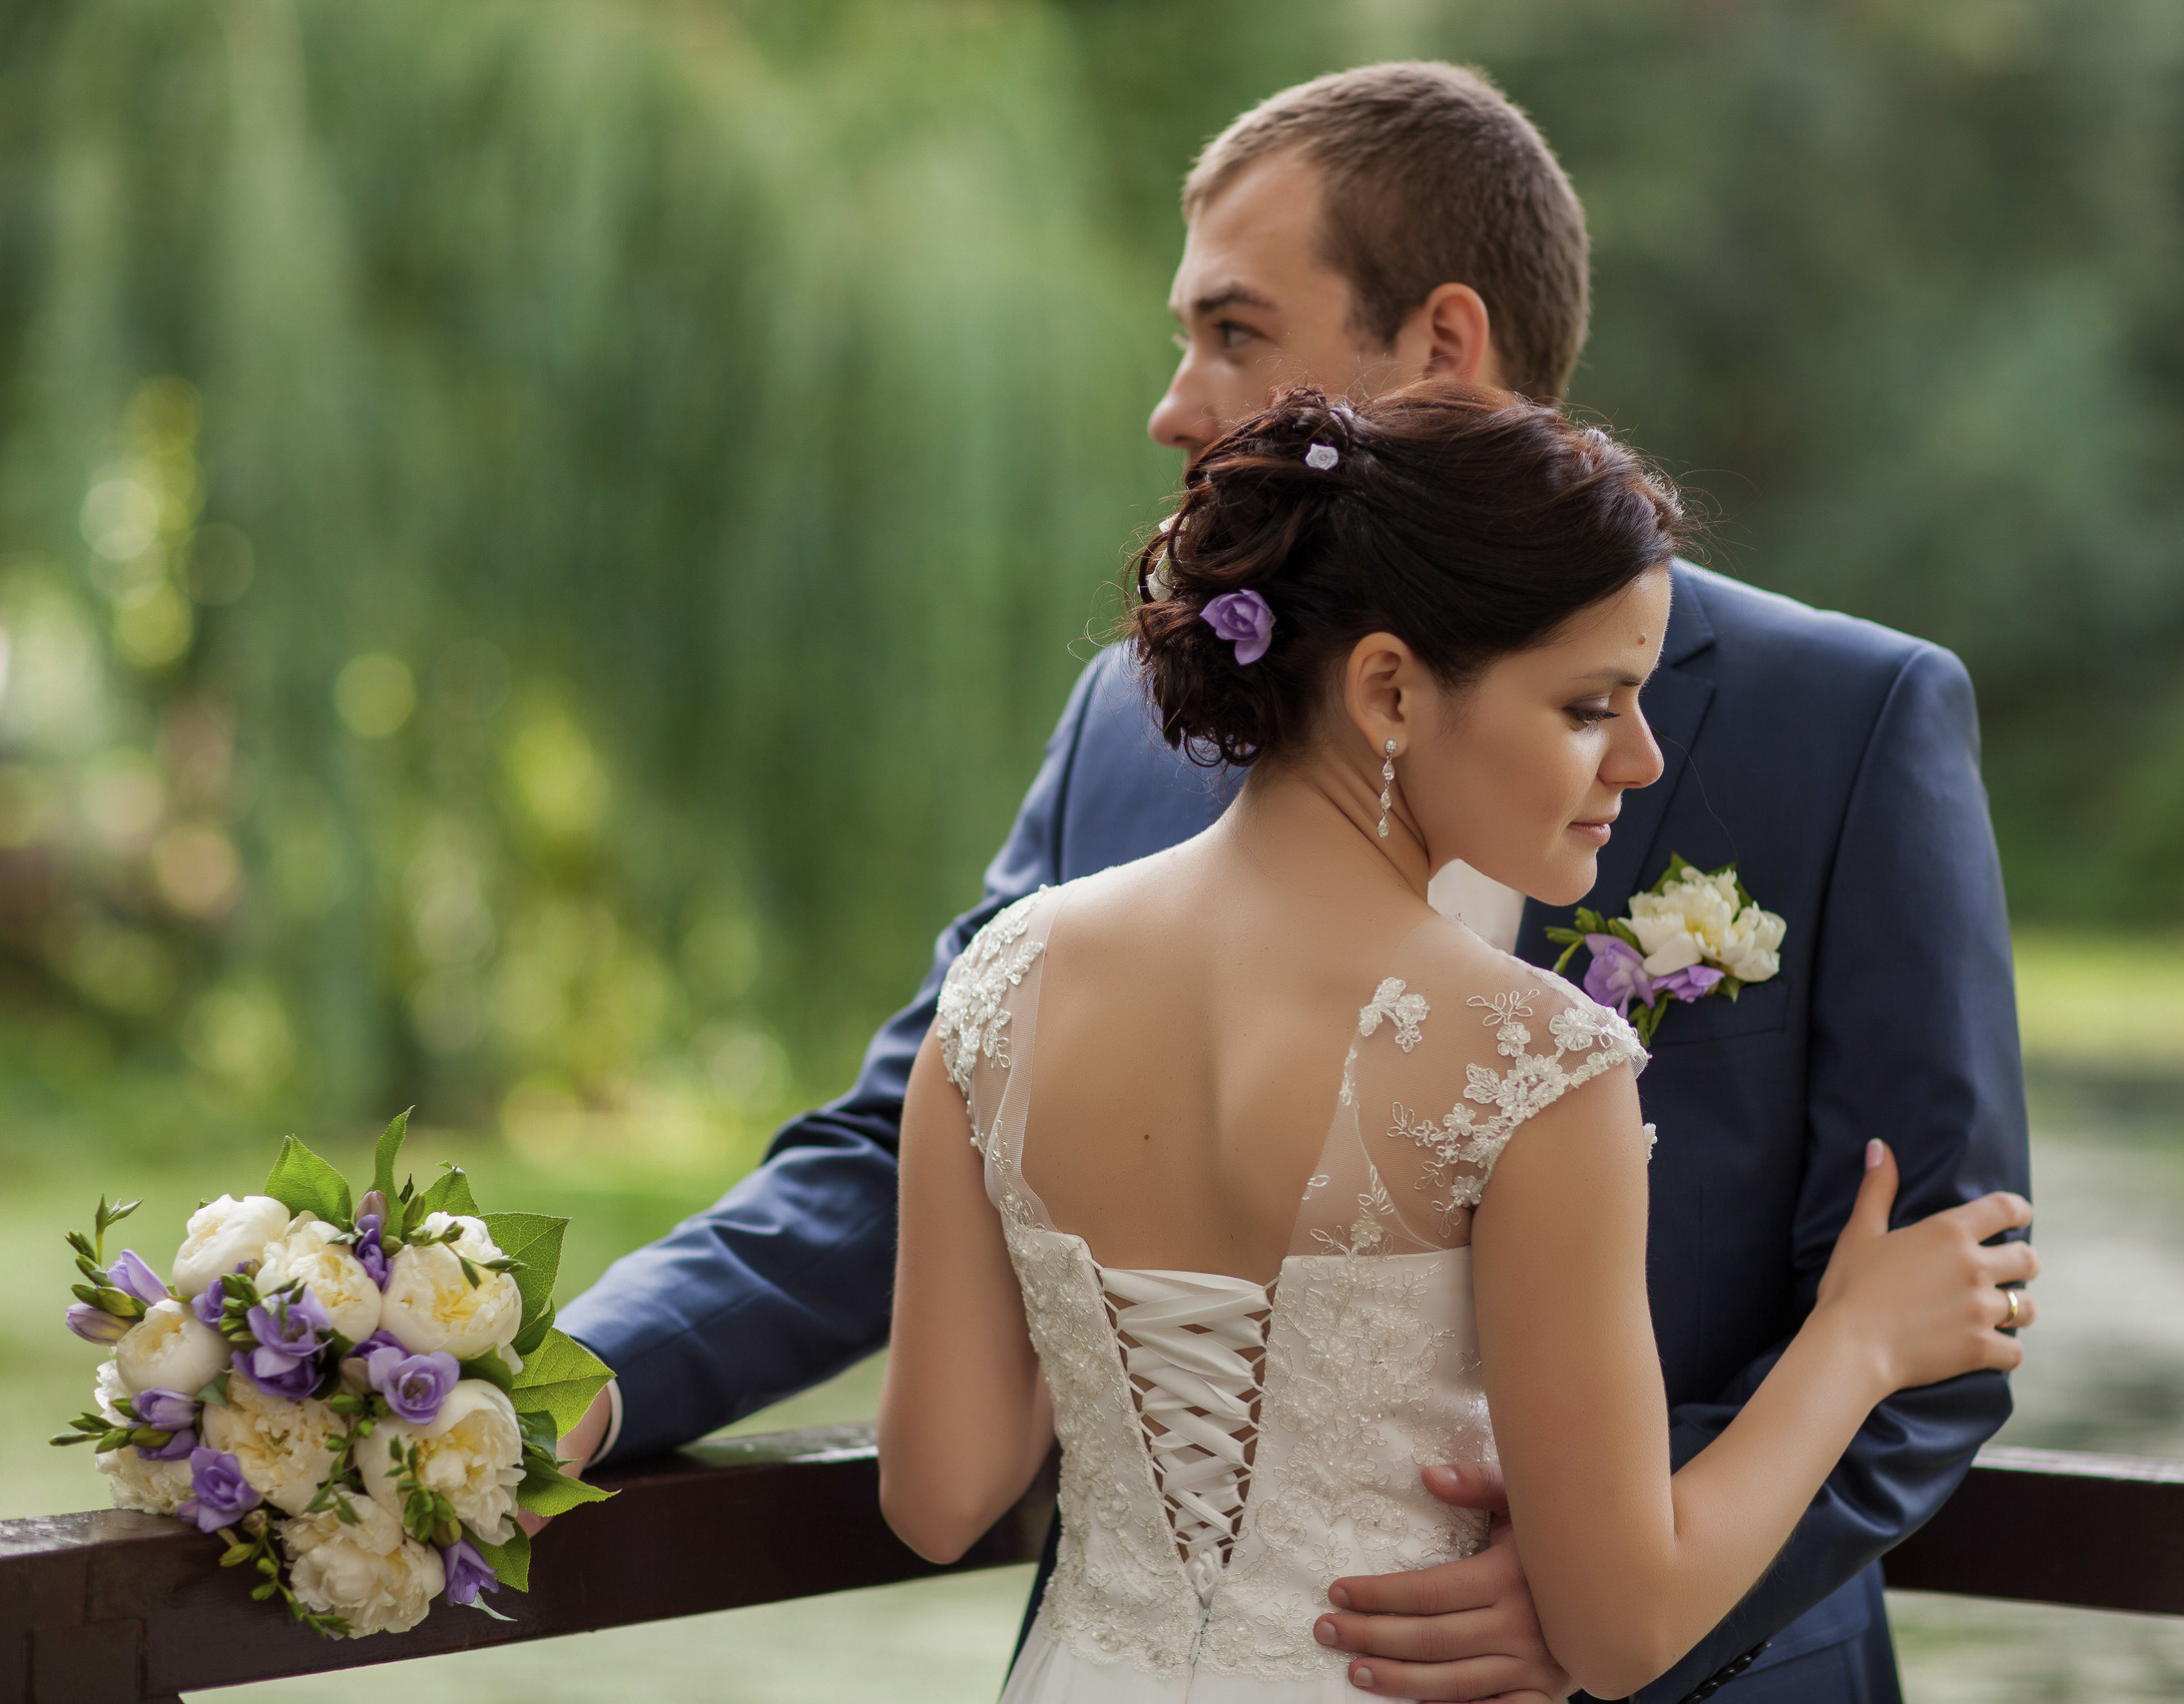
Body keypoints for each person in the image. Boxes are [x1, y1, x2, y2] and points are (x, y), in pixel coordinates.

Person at [556, 62, 2031, 1703]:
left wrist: (1591, 1582)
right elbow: (883, 1160)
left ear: (1443, 348)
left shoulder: (1850, 718)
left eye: (1233, 332)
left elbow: (1945, 1278)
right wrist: (561, 1378)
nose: (1175, 404)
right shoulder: (1131, 719)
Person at [876, 380, 2036, 1704]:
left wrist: (1105, 1327)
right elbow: (1620, 1629)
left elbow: (941, 1495)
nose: (1643, 760)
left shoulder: (1002, 988)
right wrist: (1857, 1348)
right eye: (1590, 706)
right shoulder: (1536, 1066)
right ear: (1388, 692)